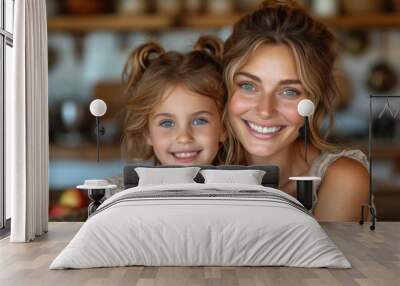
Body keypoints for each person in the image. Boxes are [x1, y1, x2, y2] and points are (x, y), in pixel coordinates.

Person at [222, 0, 369, 221]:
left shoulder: (342, 179)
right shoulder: (197, 166)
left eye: (289, 91)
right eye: (248, 86)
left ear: (314, 101)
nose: (265, 110)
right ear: (225, 89)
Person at [121, 36, 226, 166]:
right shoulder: (128, 186)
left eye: (199, 121)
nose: (184, 138)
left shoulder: (245, 186)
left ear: (224, 127)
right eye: (167, 123)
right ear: (146, 132)